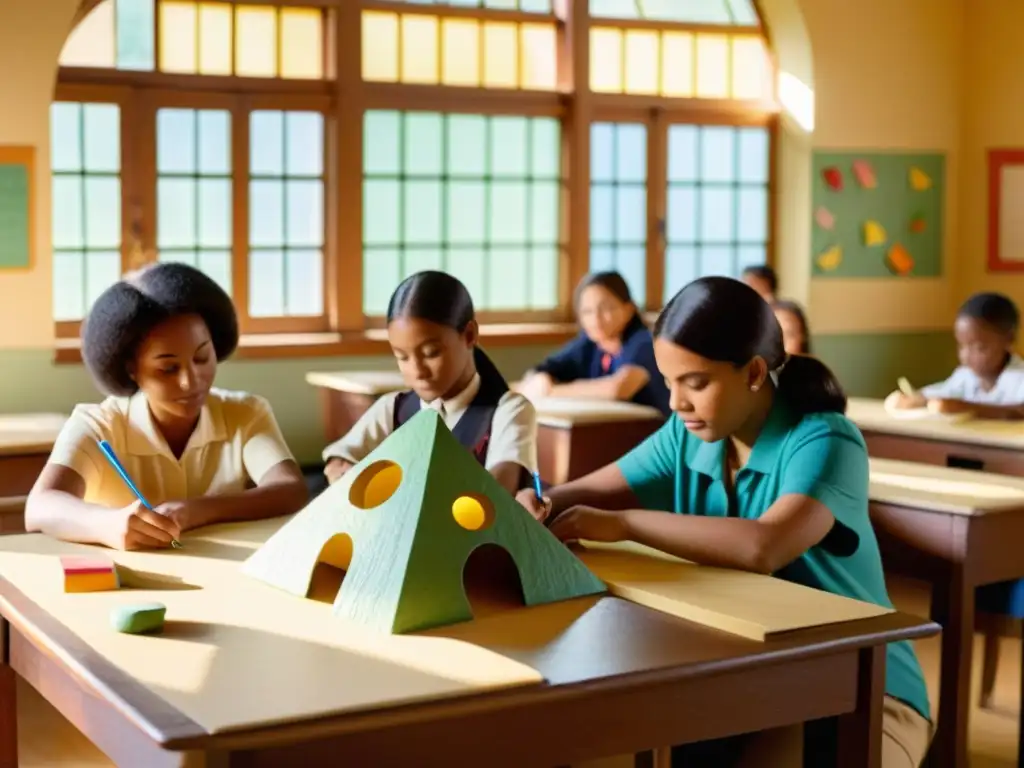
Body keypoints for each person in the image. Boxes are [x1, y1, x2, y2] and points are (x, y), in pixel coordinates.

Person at [517, 276, 932, 767]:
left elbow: (765, 546)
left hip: (867, 689)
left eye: (695, 383)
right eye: (668, 382)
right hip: (745, 675)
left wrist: (624, 525)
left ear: (755, 371)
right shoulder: (686, 433)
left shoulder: (825, 440)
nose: (675, 402)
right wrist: (539, 499)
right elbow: (583, 492)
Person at [25, 263, 308, 551]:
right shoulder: (98, 424)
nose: (191, 382)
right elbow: (40, 506)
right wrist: (108, 524)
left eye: (202, 358)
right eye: (168, 368)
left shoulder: (245, 412)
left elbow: (290, 490)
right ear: (131, 369)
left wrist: (193, 510)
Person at [322, 271, 537, 497]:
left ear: (470, 335)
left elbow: (500, 486)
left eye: (431, 353)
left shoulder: (508, 411)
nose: (417, 371)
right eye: (402, 357)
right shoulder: (393, 408)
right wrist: (345, 472)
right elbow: (340, 459)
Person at [517, 271, 670, 416]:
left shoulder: (643, 343)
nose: (596, 319)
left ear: (628, 309)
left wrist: (551, 391)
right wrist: (540, 379)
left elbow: (618, 389)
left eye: (606, 308)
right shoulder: (588, 344)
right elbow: (540, 372)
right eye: (587, 311)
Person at [888, 292, 1024, 419]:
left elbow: (1019, 411)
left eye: (979, 348)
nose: (966, 356)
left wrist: (965, 407)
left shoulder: (1019, 377)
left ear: (1009, 340)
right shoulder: (965, 376)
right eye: (962, 346)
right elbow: (940, 395)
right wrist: (916, 399)